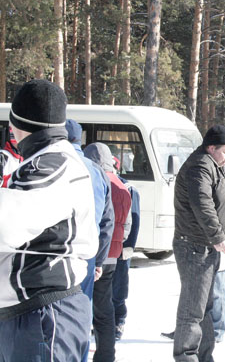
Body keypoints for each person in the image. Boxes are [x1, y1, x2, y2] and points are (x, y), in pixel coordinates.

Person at [0, 79, 98, 360]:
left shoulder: (52, 164)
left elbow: (6, 224)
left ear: (15, 124)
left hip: (42, 314)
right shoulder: (44, 160)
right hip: (30, 312)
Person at [172, 124, 225, 361]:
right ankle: (186, 356)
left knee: (205, 307)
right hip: (194, 245)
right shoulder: (199, 166)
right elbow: (202, 204)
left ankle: (204, 356)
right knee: (193, 309)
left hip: (205, 245)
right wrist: (218, 236)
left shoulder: (213, 166)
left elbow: (222, 196)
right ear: (212, 148)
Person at [66, 119, 116, 360]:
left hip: (58, 254)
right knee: (82, 314)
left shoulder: (55, 163)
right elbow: (107, 221)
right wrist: (99, 261)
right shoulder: (97, 171)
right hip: (87, 255)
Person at [85, 142, 132, 362]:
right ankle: (106, 354)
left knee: (83, 305)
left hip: (94, 253)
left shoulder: (94, 180)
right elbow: (128, 223)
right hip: (113, 254)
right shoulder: (123, 185)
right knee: (105, 309)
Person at [111, 156, 141, 341]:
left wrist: (129, 247)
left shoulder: (128, 188)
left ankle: (118, 321)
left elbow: (135, 220)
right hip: (105, 246)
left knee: (118, 288)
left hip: (121, 247)